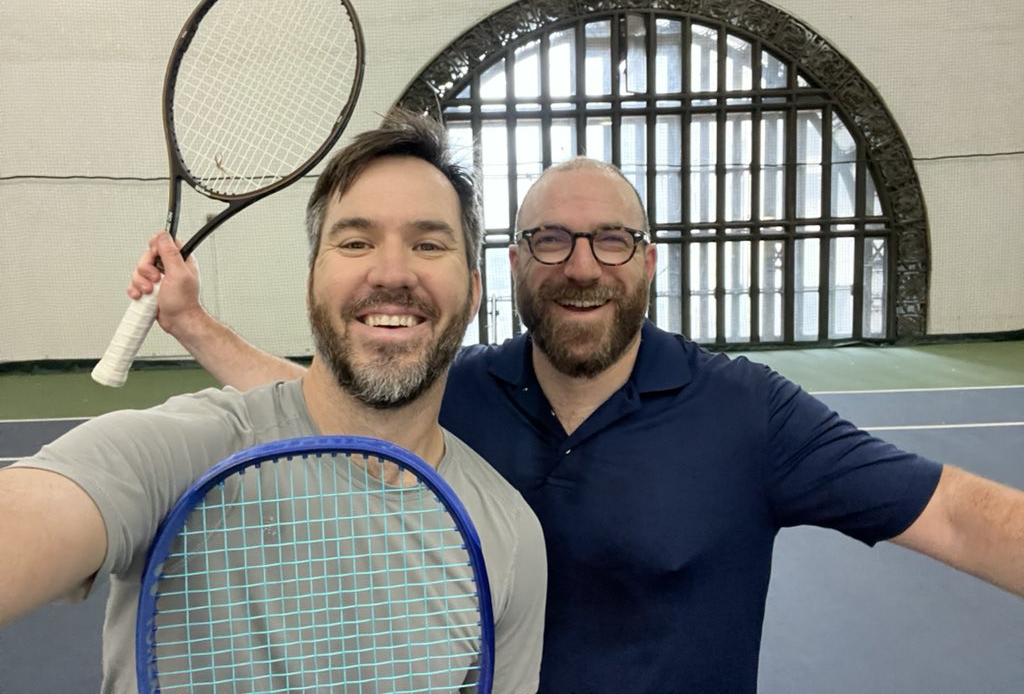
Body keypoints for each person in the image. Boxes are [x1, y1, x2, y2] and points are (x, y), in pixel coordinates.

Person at [129, 154, 1023, 694]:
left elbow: (952, 513)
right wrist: (195, 326)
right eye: (551, 241)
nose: (581, 266)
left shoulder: (748, 411)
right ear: (513, 264)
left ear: (649, 260)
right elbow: (317, 408)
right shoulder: (460, 395)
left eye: (612, 241)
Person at [0, 112, 547, 694]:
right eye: (356, 241)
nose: (392, 271)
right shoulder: (187, 451)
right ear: (313, 278)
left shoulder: (509, 537)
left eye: (429, 243)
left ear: (474, 292)